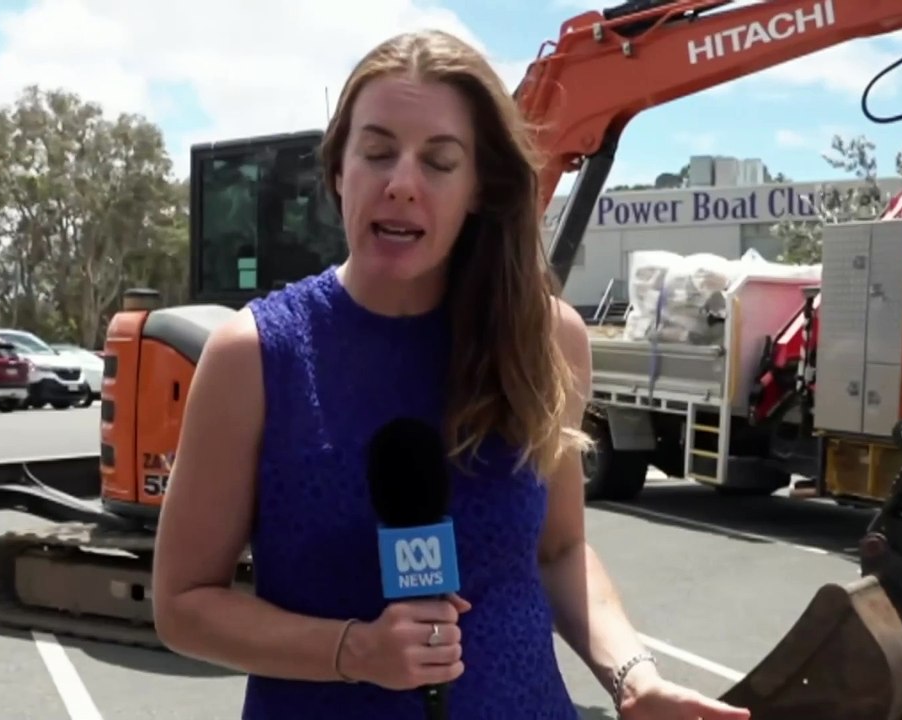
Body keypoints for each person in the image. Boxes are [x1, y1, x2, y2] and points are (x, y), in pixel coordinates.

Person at [151, 28, 751, 720]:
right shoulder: (254, 355)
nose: (401, 183)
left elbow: (558, 550)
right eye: (376, 153)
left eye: (439, 162)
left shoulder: (546, 339)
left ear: (478, 189)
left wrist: (632, 676)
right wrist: (353, 651)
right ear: (339, 172)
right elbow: (183, 605)